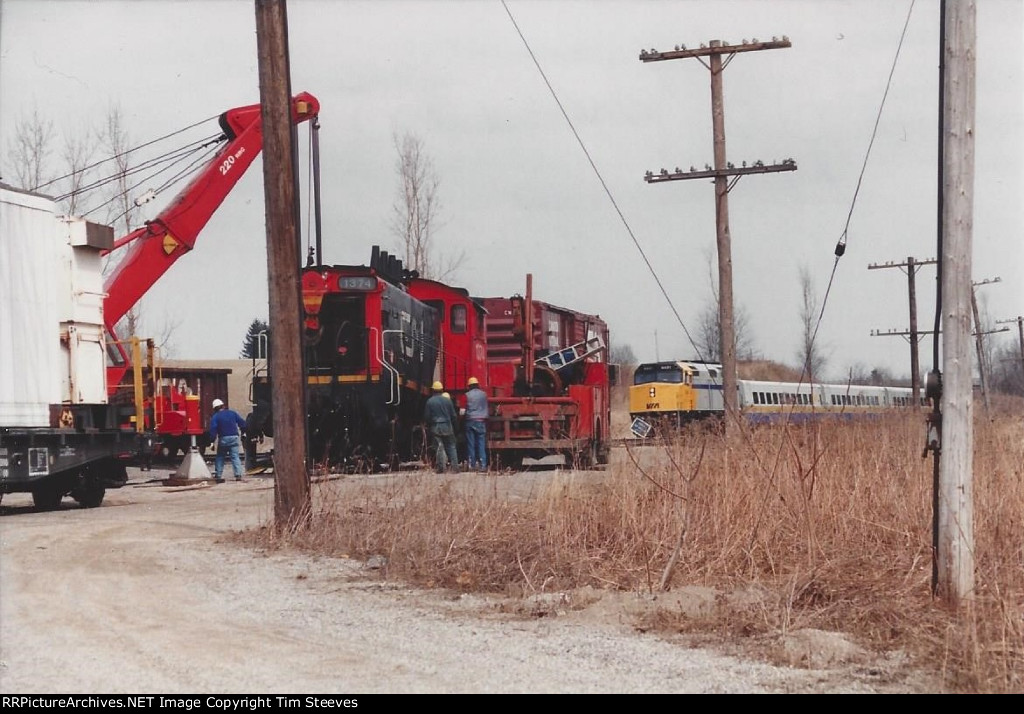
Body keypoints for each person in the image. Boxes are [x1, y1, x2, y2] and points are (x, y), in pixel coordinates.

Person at [208, 398, 247, 483]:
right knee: (235, 456)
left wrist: (212, 442)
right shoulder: (232, 413)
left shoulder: (216, 417)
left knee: (220, 457)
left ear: (215, 408)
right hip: (234, 438)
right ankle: (238, 475)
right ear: (223, 406)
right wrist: (244, 432)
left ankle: (218, 475)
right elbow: (242, 423)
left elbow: (213, 429)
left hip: (224, 439)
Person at [424, 381, 459, 473]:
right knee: (451, 446)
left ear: (433, 390)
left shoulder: (430, 401)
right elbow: (453, 415)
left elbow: (427, 416)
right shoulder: (448, 400)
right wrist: (456, 427)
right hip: (448, 425)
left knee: (439, 447)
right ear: (441, 389)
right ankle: (455, 467)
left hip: (436, 426)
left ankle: (441, 468)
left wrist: (428, 425)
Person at [464, 376, 488, 472]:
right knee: (481, 444)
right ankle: (483, 465)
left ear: (469, 386)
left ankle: (472, 465)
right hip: (481, 421)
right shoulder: (484, 395)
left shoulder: (466, 395)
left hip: (470, 421)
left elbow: (462, 411)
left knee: (471, 444)